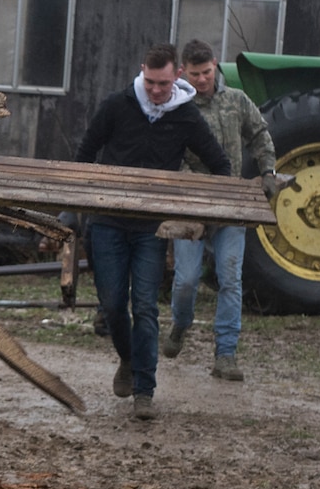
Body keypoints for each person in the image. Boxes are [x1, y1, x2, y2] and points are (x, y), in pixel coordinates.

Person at [75, 44, 231, 419]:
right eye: (150, 82)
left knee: (145, 306)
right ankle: (128, 360)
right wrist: (78, 200)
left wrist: (208, 206)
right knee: (113, 305)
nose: (156, 91)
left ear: (176, 75)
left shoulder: (186, 116)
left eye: (163, 84)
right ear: (141, 71)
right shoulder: (117, 105)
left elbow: (219, 164)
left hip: (150, 228)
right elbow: (84, 153)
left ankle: (144, 390)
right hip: (108, 222)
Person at [165, 40, 279, 381]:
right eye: (195, 74)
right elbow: (170, 153)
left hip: (232, 204)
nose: (202, 80)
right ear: (184, 72)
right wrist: (189, 182)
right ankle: (180, 325)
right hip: (192, 203)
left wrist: (268, 171)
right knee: (186, 280)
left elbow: (260, 134)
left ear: (216, 66)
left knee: (231, 278)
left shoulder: (237, 101)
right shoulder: (179, 109)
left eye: (207, 72)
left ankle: (226, 354)